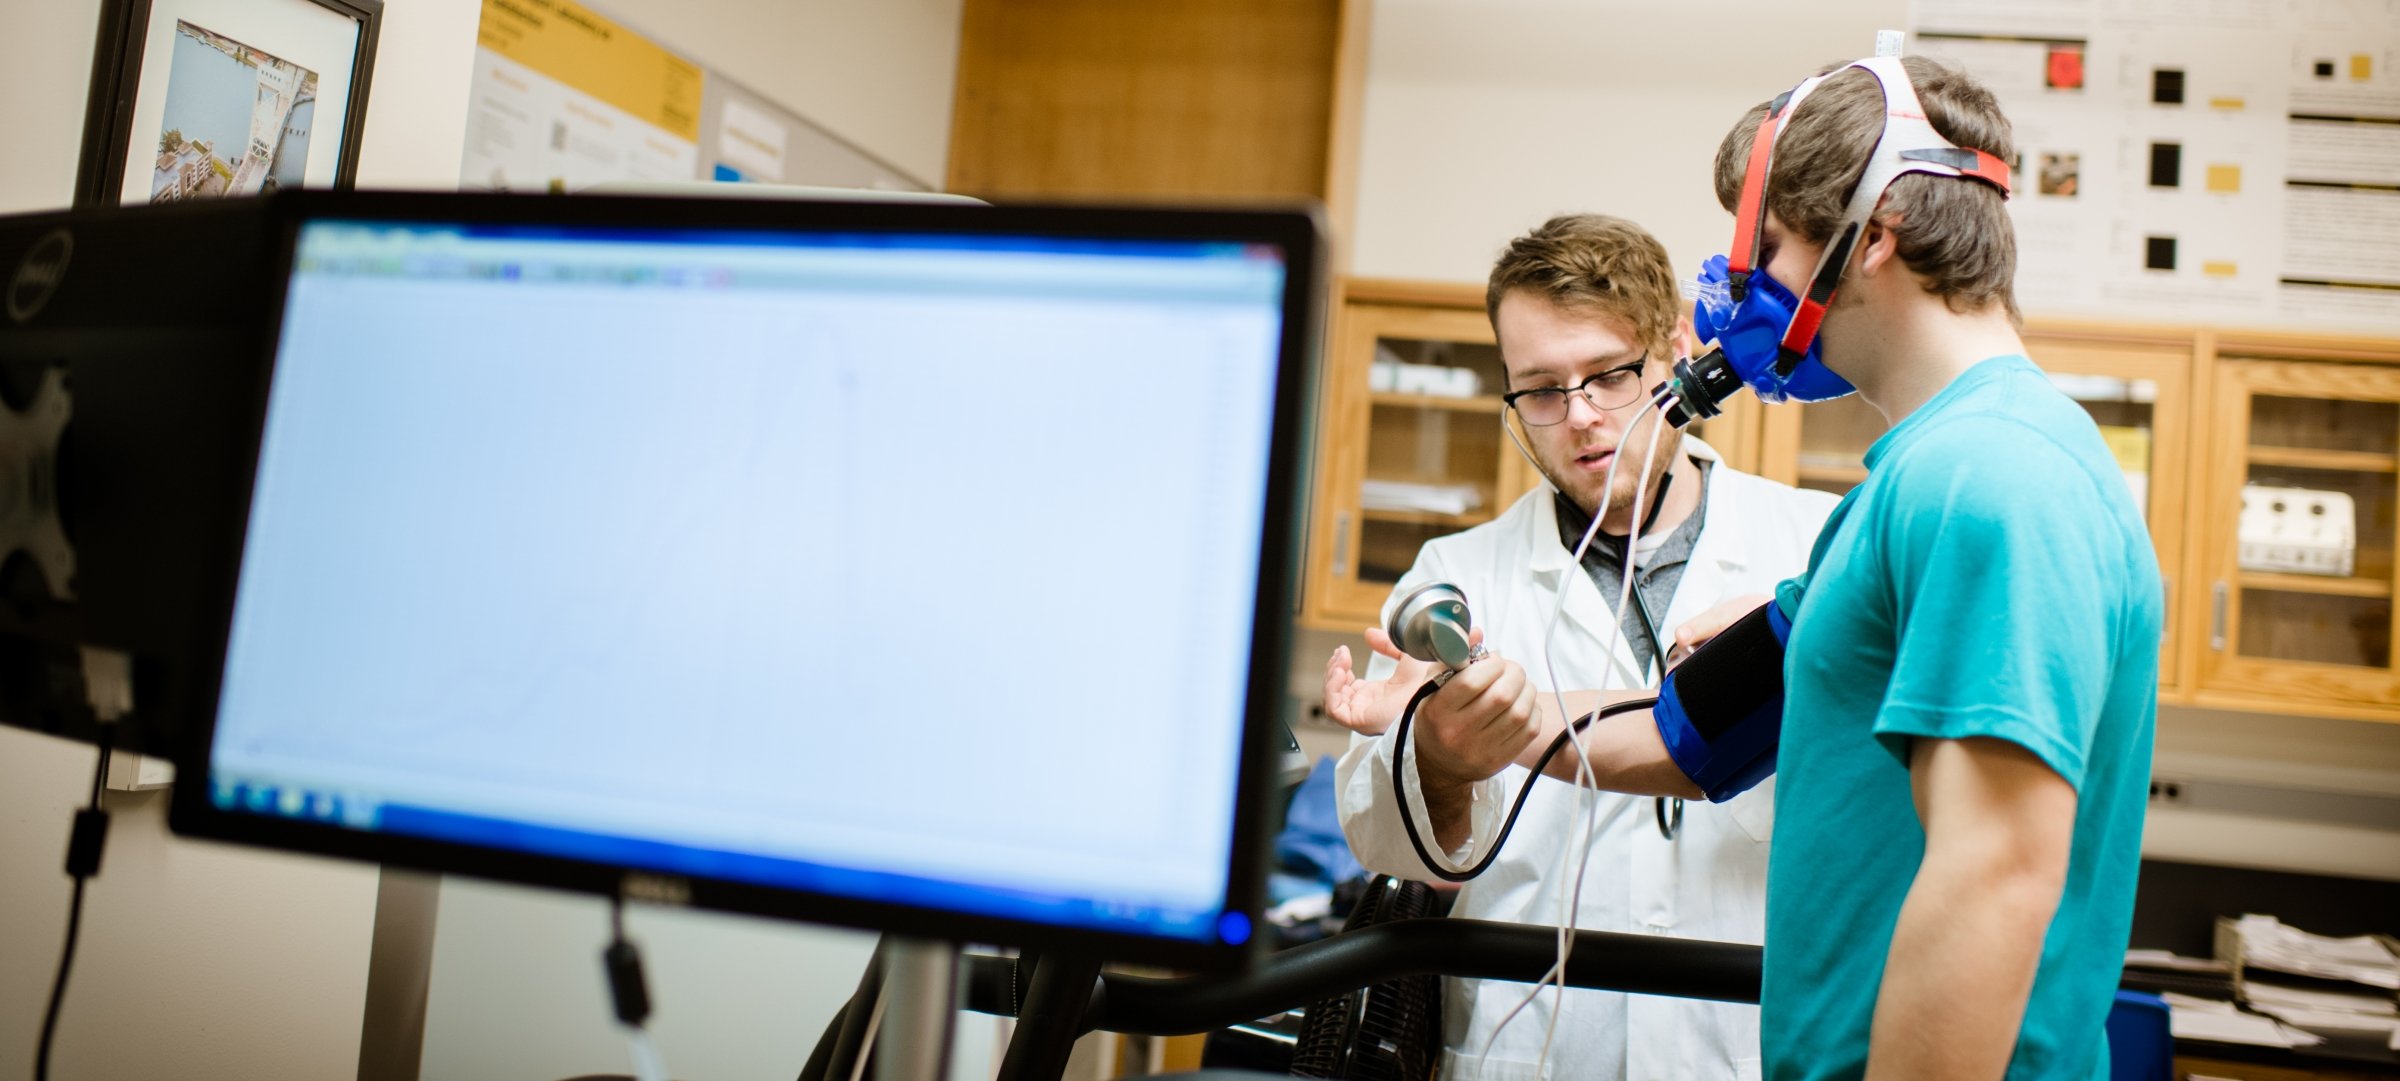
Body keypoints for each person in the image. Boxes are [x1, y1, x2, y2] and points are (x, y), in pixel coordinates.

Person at [1391, 56, 2162, 1080]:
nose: (1744, 288)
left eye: (1773, 249)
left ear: (1871, 237)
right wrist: (1483, 720)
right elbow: (1693, 731)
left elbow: (1991, 880)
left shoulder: (1993, 481)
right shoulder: (1904, 492)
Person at [1324, 212, 1837, 1079]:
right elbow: (1392, 848)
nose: (1582, 418)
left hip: (1745, 1052)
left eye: (1609, 376)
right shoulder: (1454, 579)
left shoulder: (1811, 548)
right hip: (1525, 1055)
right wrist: (1443, 762)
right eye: (1542, 389)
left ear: (1677, 349)